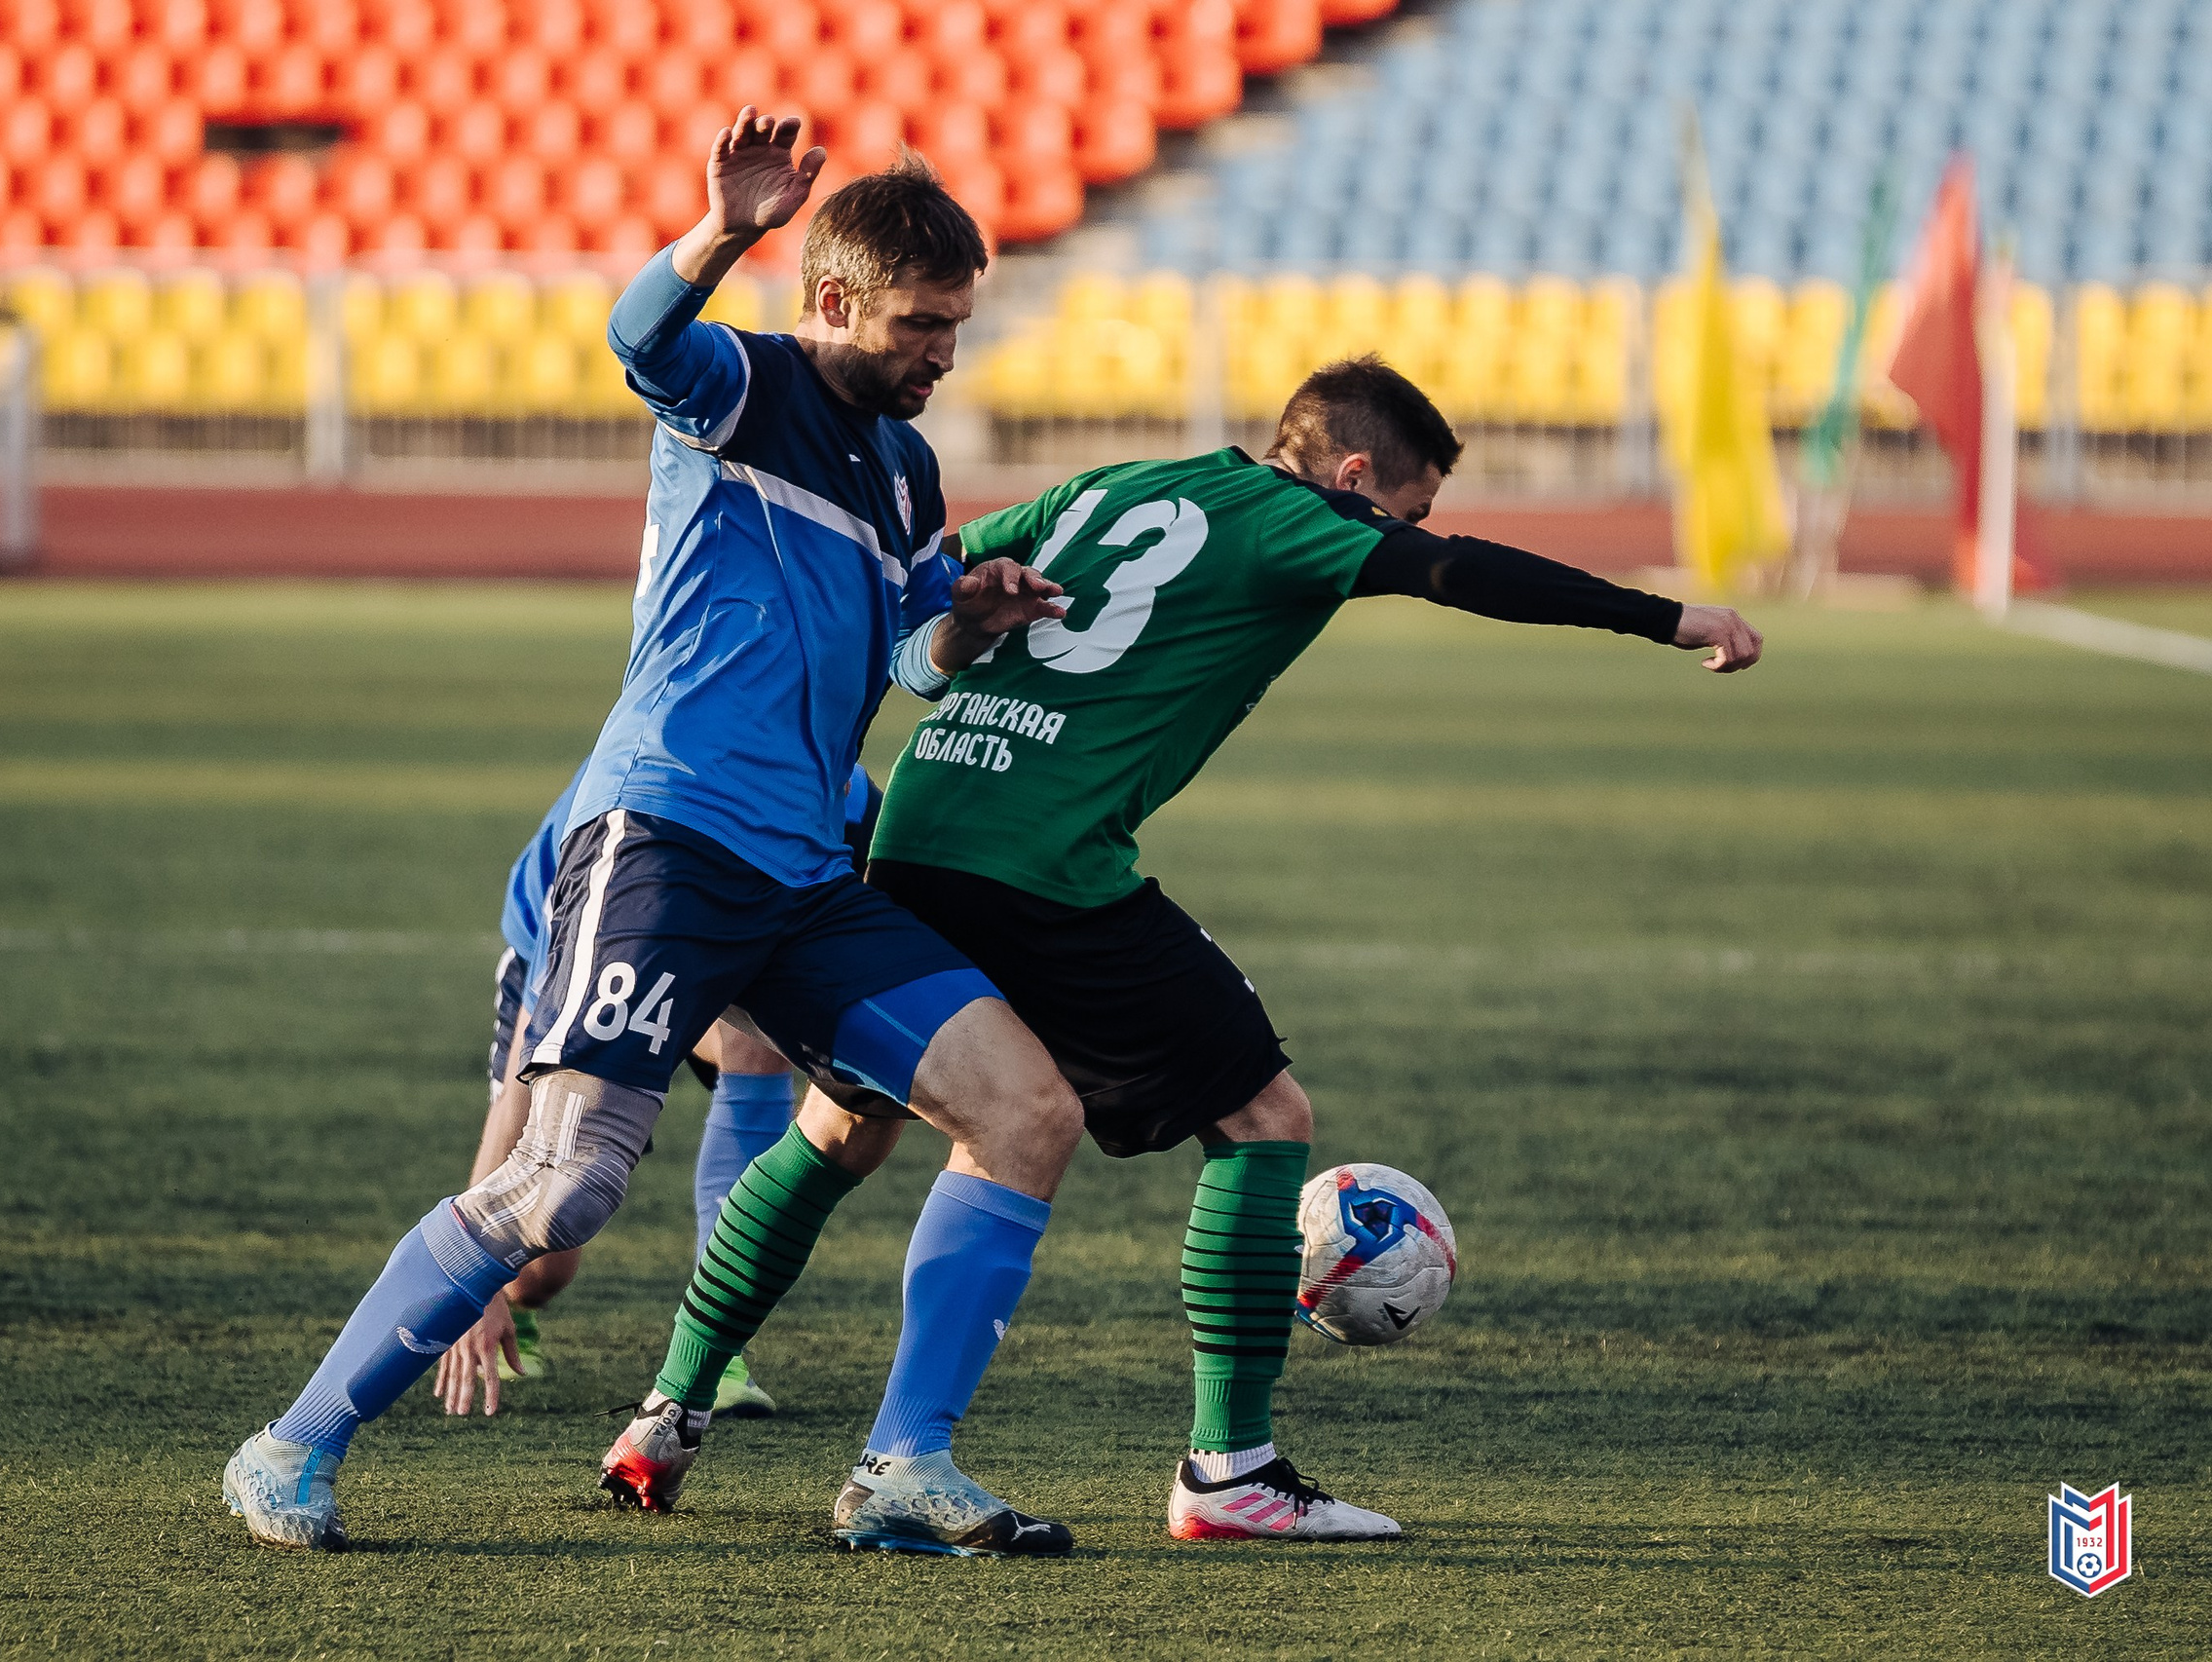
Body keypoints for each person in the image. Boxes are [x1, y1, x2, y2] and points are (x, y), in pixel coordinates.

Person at [625, 356, 1763, 1543]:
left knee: (843, 1127)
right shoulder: (1298, 514)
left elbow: (924, 593)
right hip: (1044, 864)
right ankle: (1230, 1470)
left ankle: (668, 1409)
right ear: (1357, 472)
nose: (1399, 531)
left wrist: (960, 625)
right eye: (1401, 505)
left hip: (920, 834)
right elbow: (1455, 571)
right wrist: (1668, 615)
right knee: (1263, 1116)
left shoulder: (1109, 488)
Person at [222, 112, 1087, 1559]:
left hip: (807, 869)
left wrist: (969, 621)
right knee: (561, 1184)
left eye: (958, 325)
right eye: (925, 326)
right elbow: (637, 335)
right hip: (669, 833)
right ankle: (290, 1444)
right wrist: (722, 231)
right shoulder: (741, 384)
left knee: (1028, 1111)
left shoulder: (904, 472)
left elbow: (910, 659)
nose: (947, 353)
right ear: (832, 302)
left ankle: (901, 1469)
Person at [430, 763, 887, 1419]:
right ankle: (512, 1299)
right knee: (541, 1266)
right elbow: (533, 1056)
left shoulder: (841, 790)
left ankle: (717, 1354)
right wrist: (478, 1284)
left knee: (758, 1049)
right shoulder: (631, 803)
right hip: (580, 962)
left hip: (735, 955)